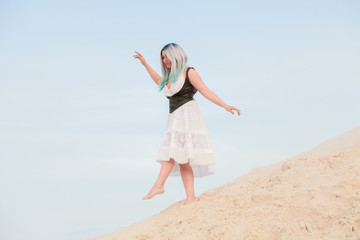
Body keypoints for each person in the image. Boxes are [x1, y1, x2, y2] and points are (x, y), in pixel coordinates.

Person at [133, 43, 240, 205]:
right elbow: (158, 81)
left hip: (187, 116)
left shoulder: (189, 72)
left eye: (166, 56)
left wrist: (225, 105)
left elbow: (206, 91)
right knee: (183, 160)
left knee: (172, 152)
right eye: (162, 58)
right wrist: (145, 64)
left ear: (175, 55)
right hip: (175, 117)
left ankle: (158, 185)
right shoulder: (169, 78)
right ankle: (190, 198)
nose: (164, 60)